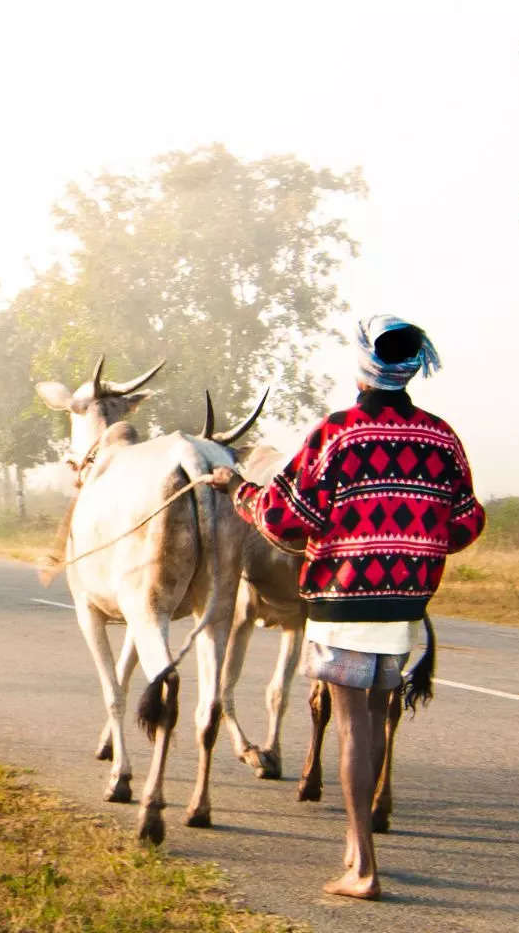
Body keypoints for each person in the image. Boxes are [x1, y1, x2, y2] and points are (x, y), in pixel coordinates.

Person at [207, 314, 484, 900]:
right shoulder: (441, 436)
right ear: (413, 367)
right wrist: (417, 542)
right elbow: (466, 520)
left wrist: (236, 490)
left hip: (344, 599)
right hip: (407, 602)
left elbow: (288, 520)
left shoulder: (339, 433)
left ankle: (363, 867)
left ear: (362, 364)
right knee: (377, 716)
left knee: (353, 722)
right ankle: (358, 851)